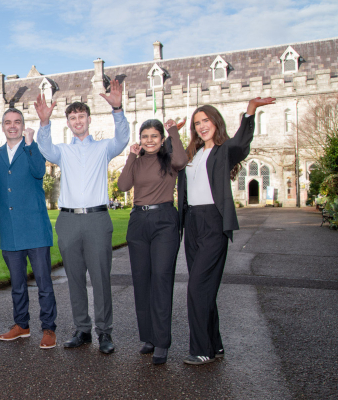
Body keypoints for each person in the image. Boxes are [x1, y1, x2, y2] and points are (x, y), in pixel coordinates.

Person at [34, 78, 129, 354]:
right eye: (73, 117)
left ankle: (105, 332)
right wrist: (43, 123)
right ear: (68, 123)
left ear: (89, 120)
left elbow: (123, 138)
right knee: (74, 278)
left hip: (97, 220)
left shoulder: (104, 148)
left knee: (100, 278)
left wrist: (118, 109)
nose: (77, 121)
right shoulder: (62, 152)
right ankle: (82, 329)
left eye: (81, 116)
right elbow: (45, 148)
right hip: (69, 221)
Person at [178, 97, 275, 365]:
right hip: (192, 223)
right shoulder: (192, 155)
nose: (201, 126)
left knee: (197, 288)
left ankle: (202, 349)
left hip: (214, 222)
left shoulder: (224, 150)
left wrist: (250, 111)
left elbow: (242, 143)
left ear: (215, 122)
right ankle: (215, 344)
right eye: (197, 123)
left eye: (205, 120)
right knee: (205, 288)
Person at [0, 108, 57, 349]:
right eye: (7, 122)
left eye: (17, 122)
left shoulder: (33, 148)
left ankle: (49, 328)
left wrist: (31, 144)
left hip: (35, 229)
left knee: (44, 283)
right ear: (2, 126)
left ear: (23, 126)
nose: (12, 126)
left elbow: (39, 171)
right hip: (11, 231)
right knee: (18, 285)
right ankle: (21, 325)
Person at [117, 118, 187, 364]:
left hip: (164, 220)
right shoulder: (137, 162)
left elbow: (181, 160)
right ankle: (148, 337)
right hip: (138, 221)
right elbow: (123, 184)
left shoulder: (169, 160)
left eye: (154, 136)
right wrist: (131, 157)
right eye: (145, 136)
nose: (149, 140)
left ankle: (162, 341)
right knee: (141, 280)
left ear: (160, 138)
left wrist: (173, 132)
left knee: (161, 278)